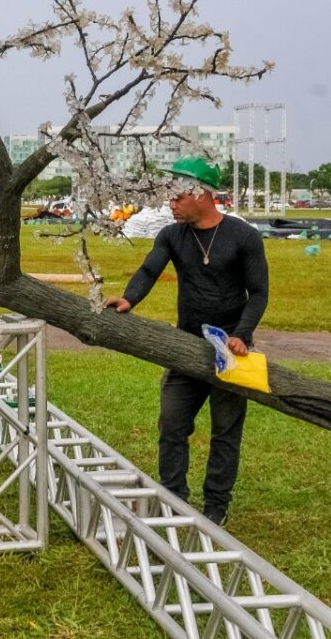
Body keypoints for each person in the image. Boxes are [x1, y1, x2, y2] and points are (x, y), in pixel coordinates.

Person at [105, 156, 268, 526]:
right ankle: (174, 495)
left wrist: (242, 335)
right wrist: (129, 298)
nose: (171, 204)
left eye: (177, 197)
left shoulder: (244, 237)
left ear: (201, 194)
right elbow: (149, 269)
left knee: (225, 430)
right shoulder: (171, 235)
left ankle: (216, 504)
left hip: (231, 350)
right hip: (186, 345)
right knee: (172, 423)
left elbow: (258, 293)